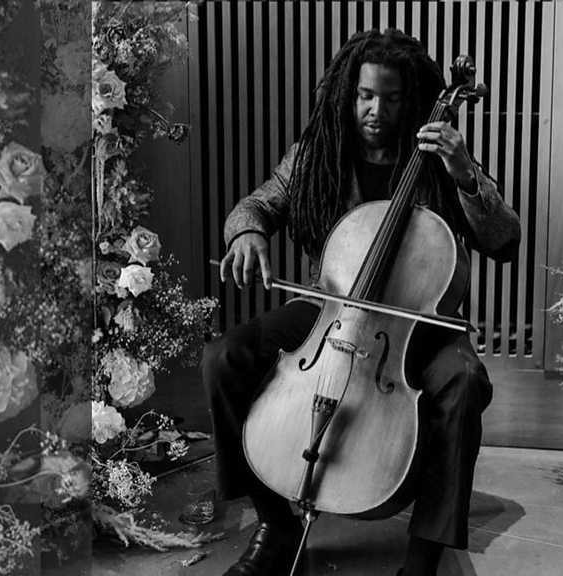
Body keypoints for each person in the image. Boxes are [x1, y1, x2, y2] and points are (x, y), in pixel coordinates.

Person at [203, 28, 521, 576]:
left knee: (464, 381)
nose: (376, 111)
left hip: (418, 319)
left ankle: (422, 559)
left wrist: (466, 174)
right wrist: (247, 233)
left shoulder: (438, 159)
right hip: (332, 309)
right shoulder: (319, 153)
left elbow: (505, 240)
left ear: (410, 99)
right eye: (366, 96)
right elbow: (258, 204)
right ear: (348, 93)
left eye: (390, 99)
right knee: (223, 357)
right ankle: (275, 523)